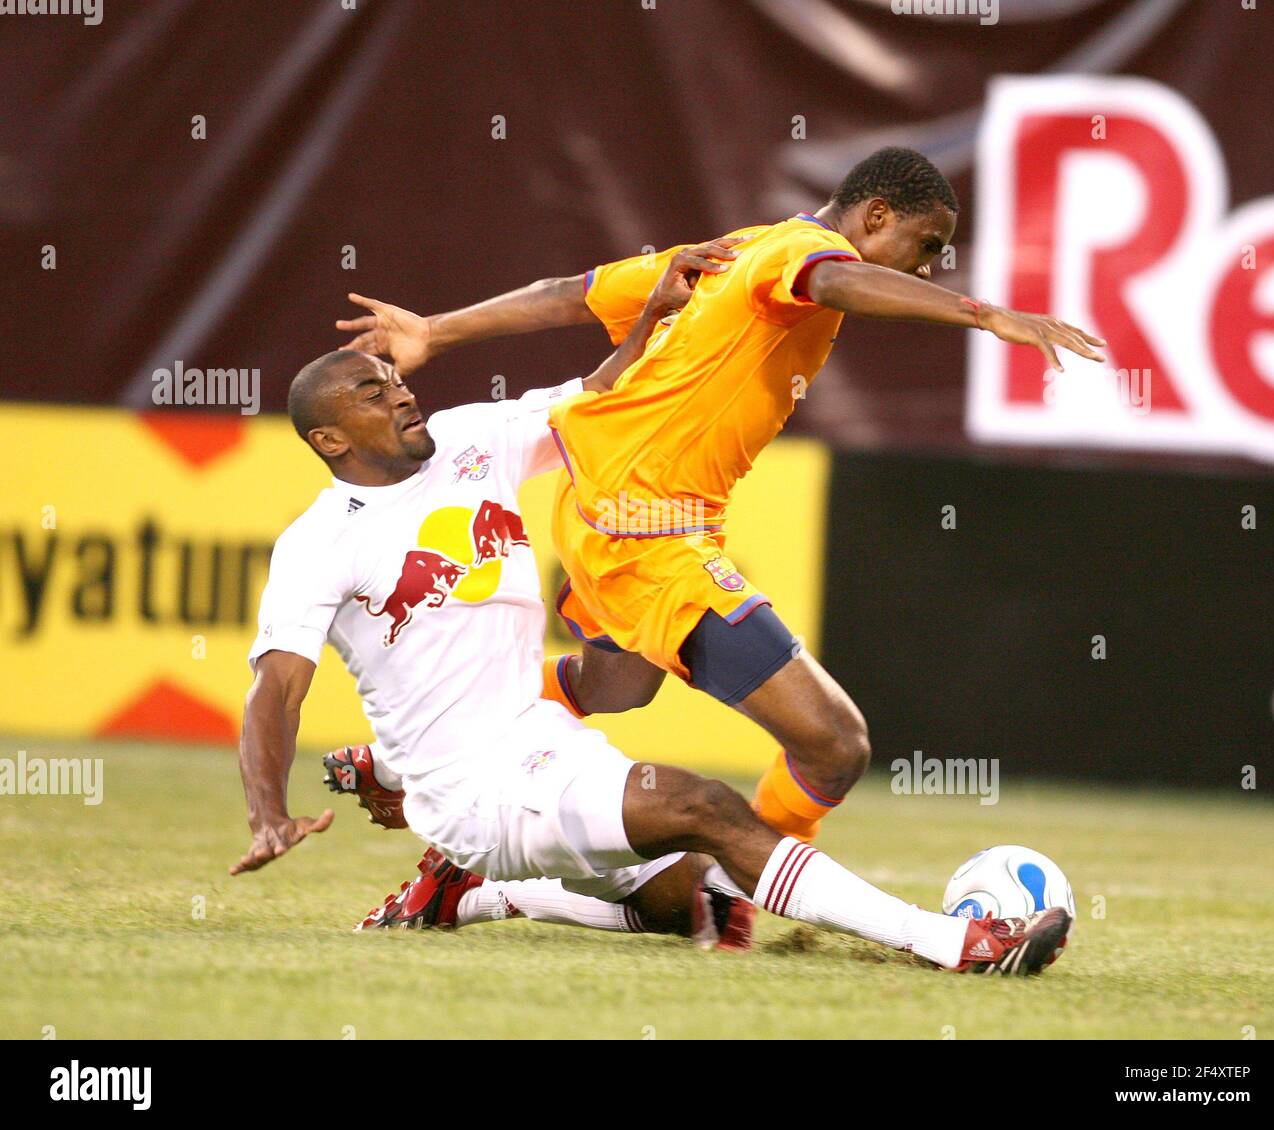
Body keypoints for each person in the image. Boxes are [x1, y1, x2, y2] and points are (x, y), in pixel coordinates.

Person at [235, 291, 1073, 978]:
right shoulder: (320, 542)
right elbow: (276, 688)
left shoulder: (468, 440)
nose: (401, 392)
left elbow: (597, 398)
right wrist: (268, 811)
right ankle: (958, 945)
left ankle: (469, 895)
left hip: (542, 740)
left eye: (393, 376)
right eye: (371, 393)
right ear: (330, 439)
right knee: (706, 807)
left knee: (704, 902)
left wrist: (650, 324)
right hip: (475, 789)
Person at [333, 147, 1106, 846]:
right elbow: (834, 277)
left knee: (613, 685)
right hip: (646, 527)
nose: (930, 266)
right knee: (836, 745)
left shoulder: (736, 247)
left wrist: (436, 330)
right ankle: (753, 876)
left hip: (600, 497)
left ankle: (401, 760)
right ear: (875, 217)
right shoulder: (806, 253)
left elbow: (573, 294)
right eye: (927, 245)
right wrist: (983, 312)